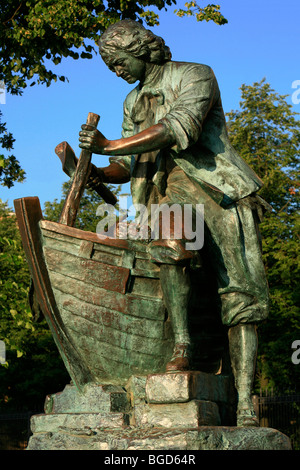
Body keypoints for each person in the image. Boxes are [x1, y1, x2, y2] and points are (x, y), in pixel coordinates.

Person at [79, 19, 270, 427]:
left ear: (142, 49)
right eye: (110, 66)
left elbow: (177, 128)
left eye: (120, 61)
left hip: (218, 190)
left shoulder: (195, 74)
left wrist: (109, 142)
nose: (118, 71)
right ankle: (181, 345)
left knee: (241, 295)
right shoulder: (132, 102)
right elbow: (128, 163)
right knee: (168, 237)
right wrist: (99, 169)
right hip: (169, 193)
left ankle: (246, 403)